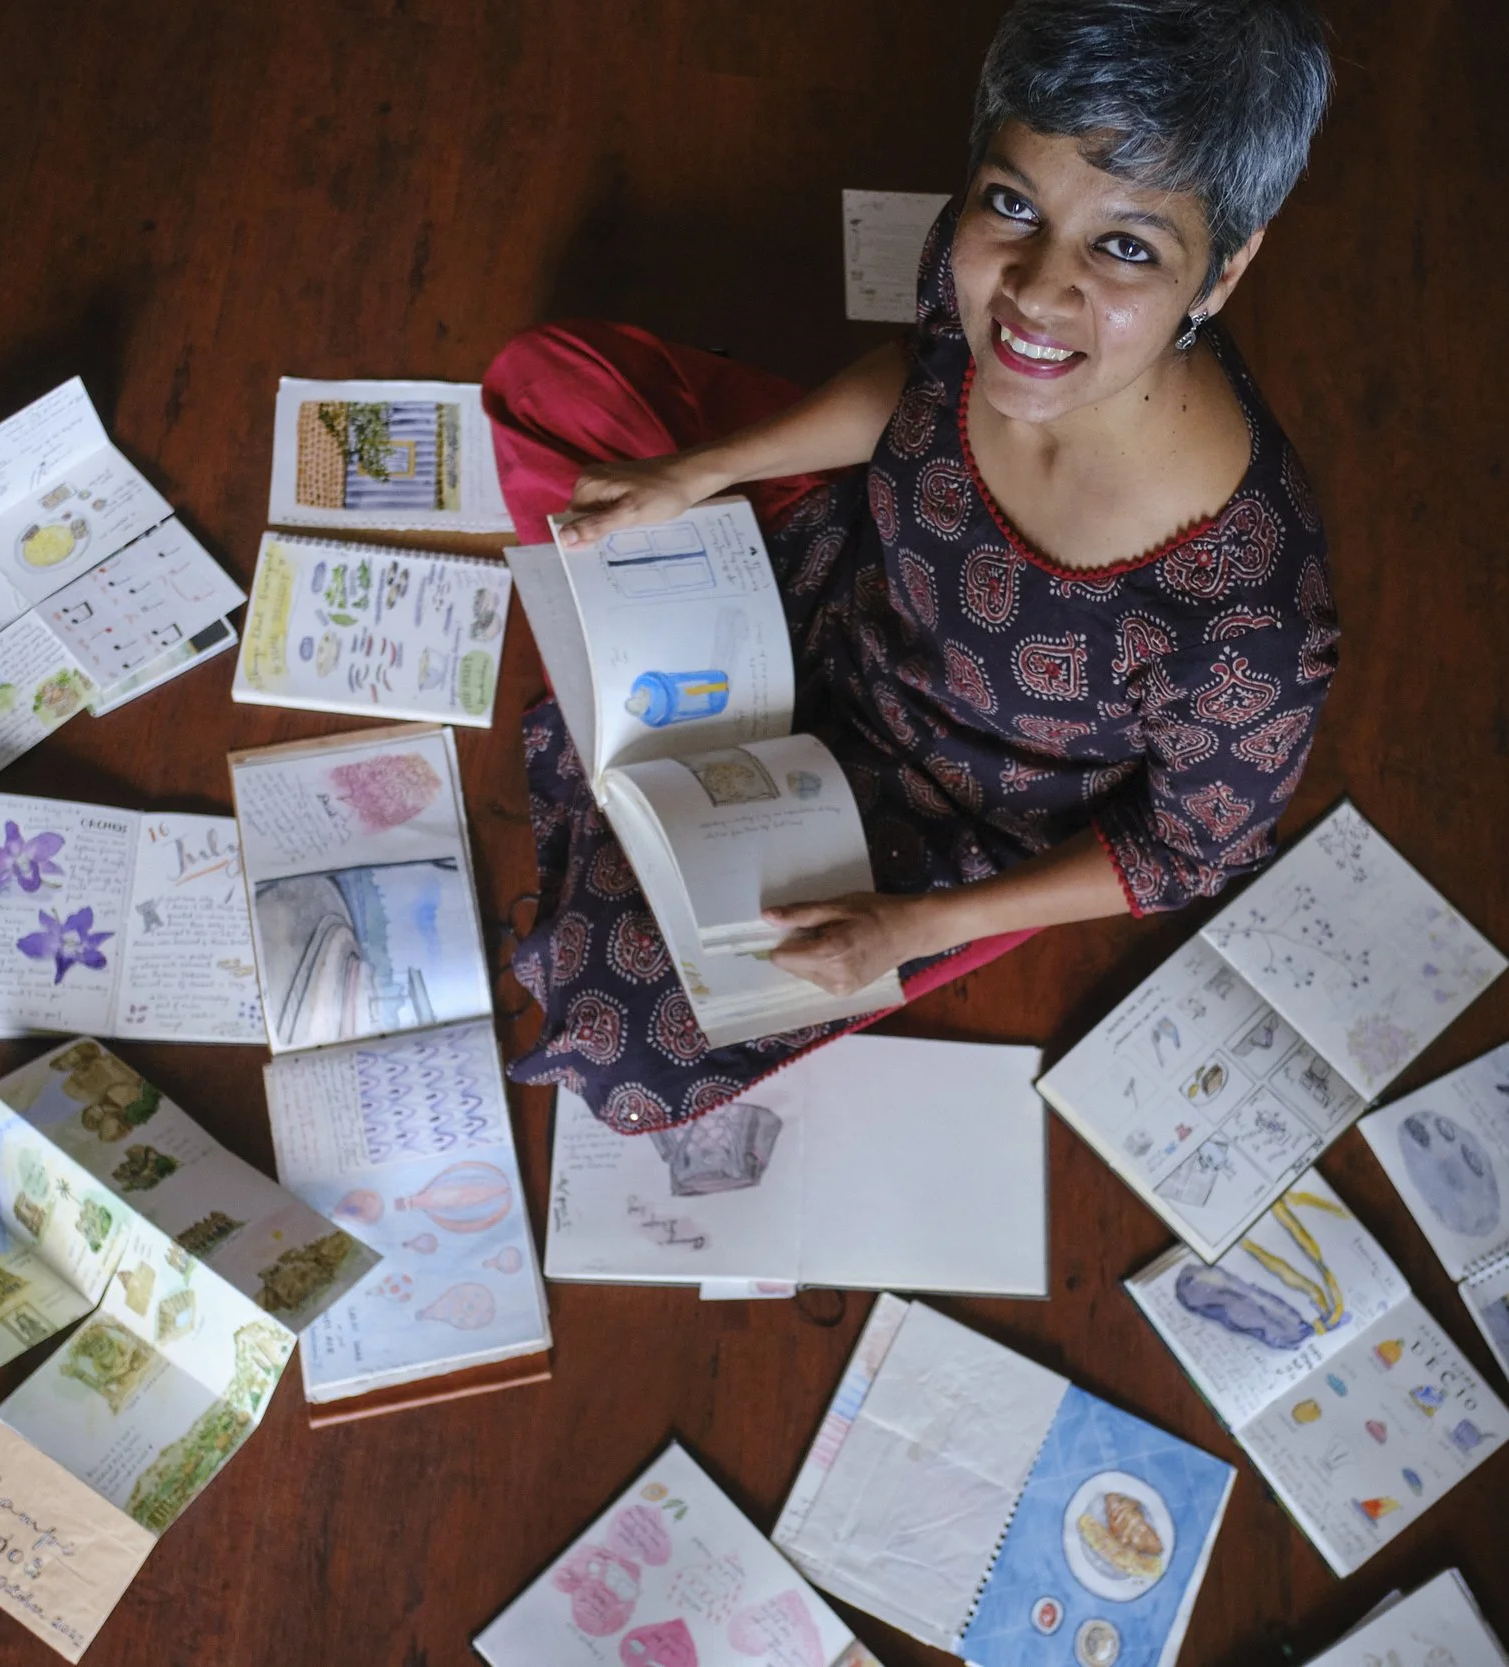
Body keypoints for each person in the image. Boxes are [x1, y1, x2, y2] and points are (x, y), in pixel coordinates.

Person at [486, 0, 1339, 1132]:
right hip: (839, 583)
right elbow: (921, 375)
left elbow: (1181, 850)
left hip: (955, 809)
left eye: (1127, 247)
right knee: (552, 384)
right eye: (1013, 204)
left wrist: (908, 928)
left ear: (1224, 270)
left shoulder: (1247, 621)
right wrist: (698, 472)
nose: (1033, 294)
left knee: (624, 1035)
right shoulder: (974, 268)